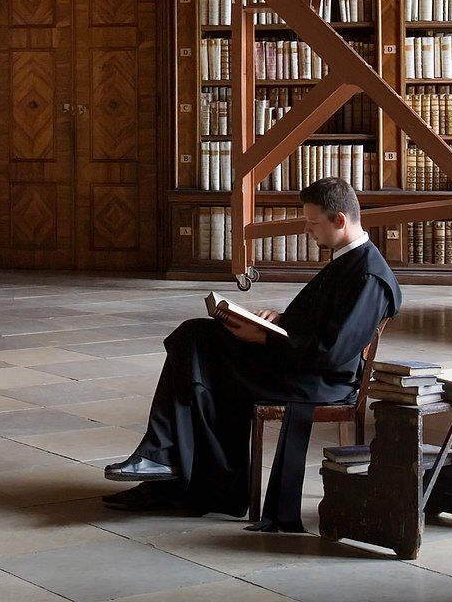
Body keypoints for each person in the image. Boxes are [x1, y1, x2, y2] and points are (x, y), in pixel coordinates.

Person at [102, 177, 400, 529]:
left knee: (197, 351)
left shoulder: (367, 275)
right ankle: (170, 471)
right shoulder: (349, 260)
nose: (307, 229)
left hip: (318, 381)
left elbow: (332, 353)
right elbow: (325, 324)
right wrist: (279, 320)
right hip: (300, 364)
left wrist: (263, 339)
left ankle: (169, 469)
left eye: (313, 222)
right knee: (195, 342)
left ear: (339, 220)